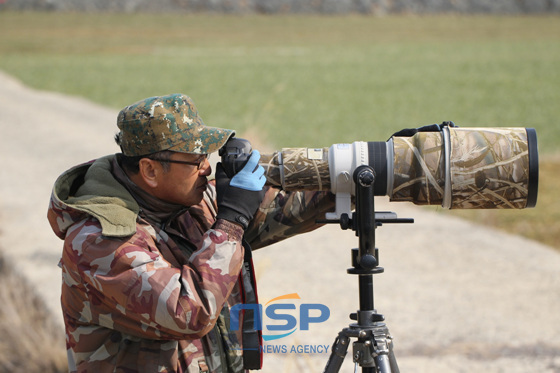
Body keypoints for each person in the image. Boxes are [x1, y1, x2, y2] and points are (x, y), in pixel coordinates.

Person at [47, 93, 335, 373]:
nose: (207, 167)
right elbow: (188, 310)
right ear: (150, 171)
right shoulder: (99, 241)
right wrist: (232, 220)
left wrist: (354, 172)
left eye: (206, 155)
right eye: (196, 160)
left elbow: (290, 208)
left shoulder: (185, 203)